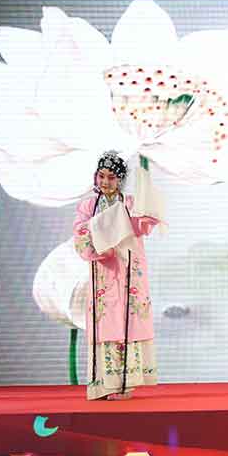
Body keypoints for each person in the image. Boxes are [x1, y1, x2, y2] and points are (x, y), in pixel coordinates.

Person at [73, 151, 160, 400]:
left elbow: (142, 227)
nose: (105, 182)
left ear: (120, 179)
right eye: (101, 176)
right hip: (103, 270)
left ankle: (124, 385)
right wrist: (99, 243)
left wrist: (148, 212)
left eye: (111, 177)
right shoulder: (88, 206)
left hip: (128, 268)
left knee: (127, 322)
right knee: (105, 324)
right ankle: (102, 385)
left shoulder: (130, 203)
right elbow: (80, 233)